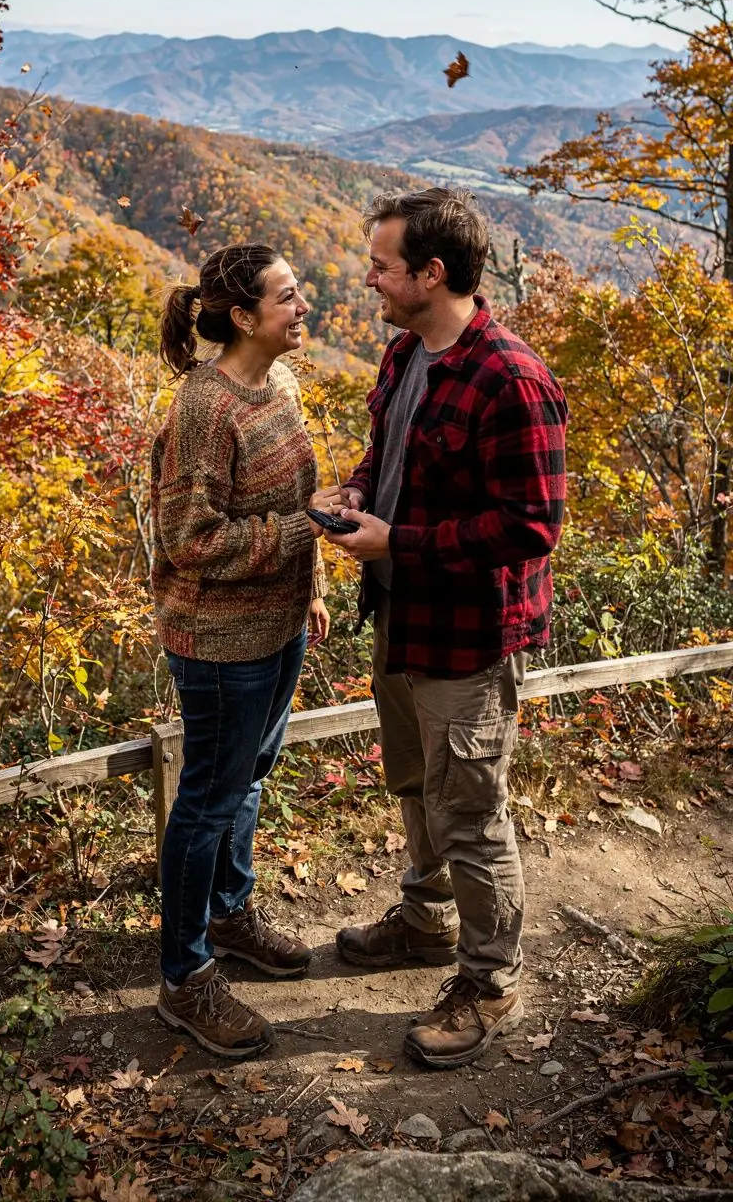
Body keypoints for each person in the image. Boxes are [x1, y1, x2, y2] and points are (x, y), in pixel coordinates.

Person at [321, 187, 568, 1069]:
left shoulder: (512, 379)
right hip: (401, 613)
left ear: (432, 272)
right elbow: (388, 454)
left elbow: (533, 525)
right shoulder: (405, 356)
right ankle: (426, 921)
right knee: (417, 785)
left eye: (383, 265)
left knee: (470, 813)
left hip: (466, 637)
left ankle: (491, 981)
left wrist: (404, 541)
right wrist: (355, 493)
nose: (370, 277)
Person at [150, 242, 333, 1059]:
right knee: (207, 802)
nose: (305, 307)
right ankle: (184, 977)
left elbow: (303, 494)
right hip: (221, 642)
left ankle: (230, 915)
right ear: (244, 316)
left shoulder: (281, 384)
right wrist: (305, 532)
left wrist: (315, 582)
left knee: (249, 781)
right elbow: (189, 541)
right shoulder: (204, 410)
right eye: (289, 297)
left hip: (279, 624)